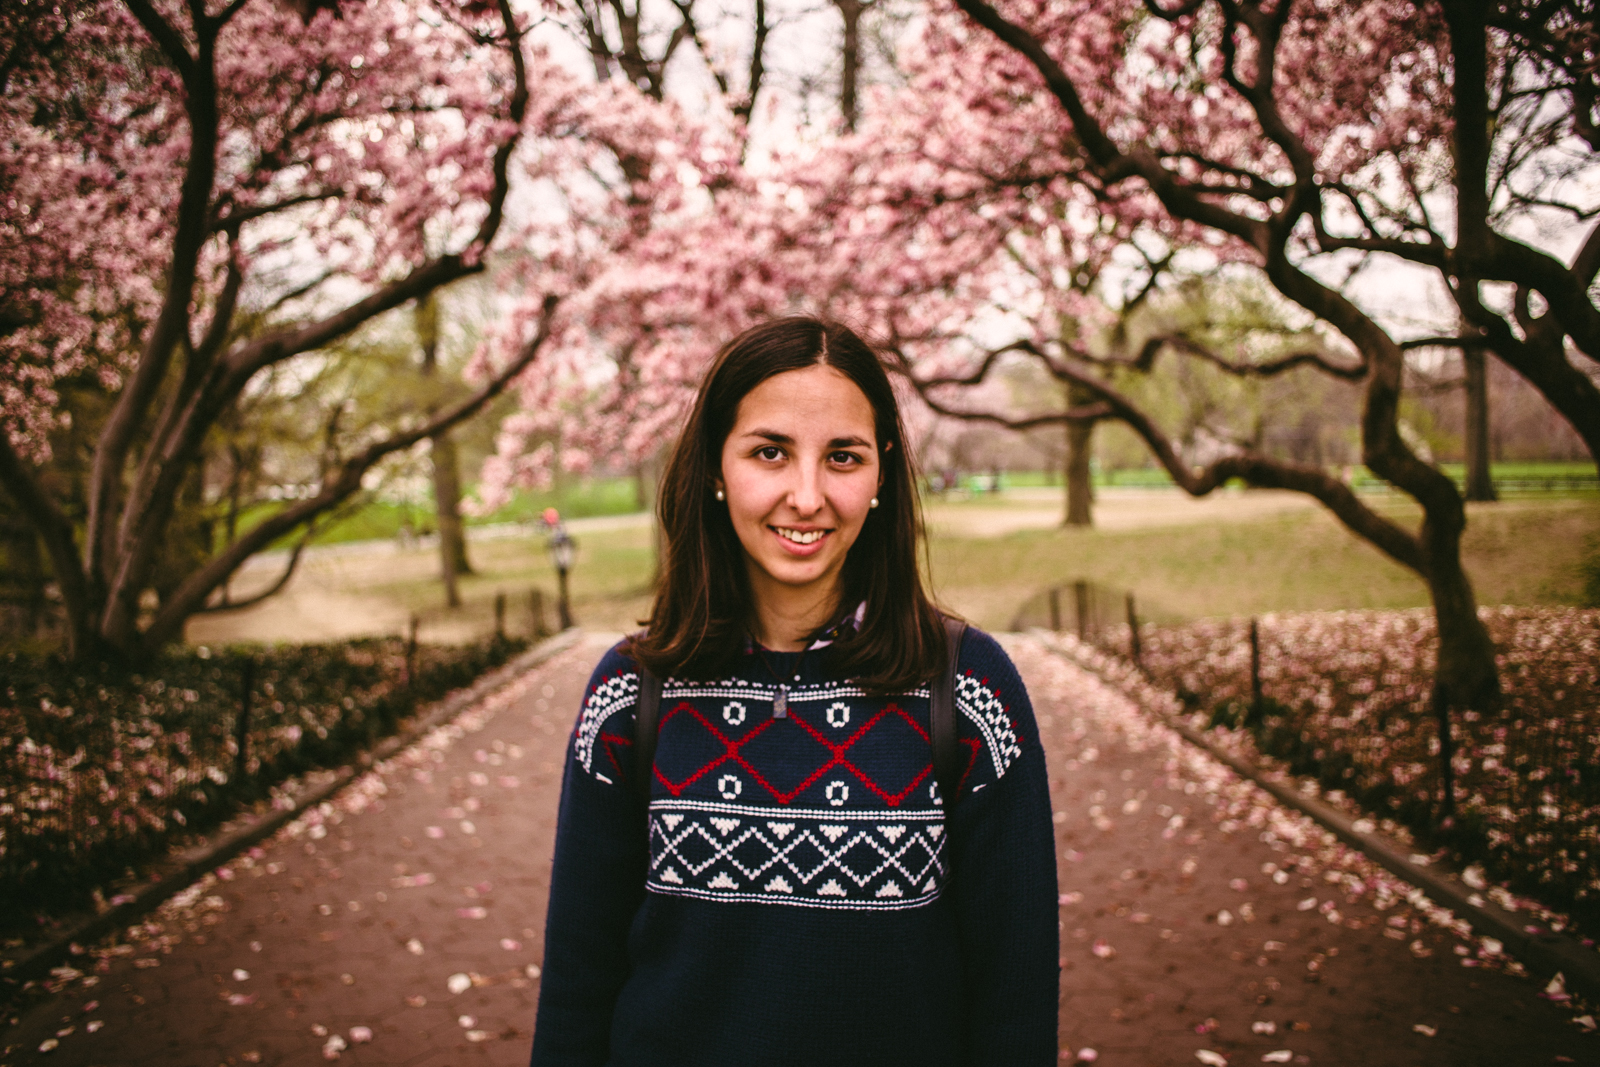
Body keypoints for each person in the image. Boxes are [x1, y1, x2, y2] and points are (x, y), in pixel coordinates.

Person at [528, 318, 1058, 1067]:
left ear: (881, 475)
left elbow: (1015, 1003)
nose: (806, 496)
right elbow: (577, 989)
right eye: (769, 452)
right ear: (716, 465)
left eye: (842, 456)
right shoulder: (629, 695)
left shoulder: (969, 692)